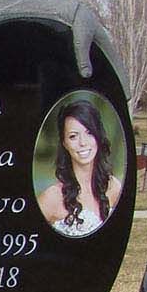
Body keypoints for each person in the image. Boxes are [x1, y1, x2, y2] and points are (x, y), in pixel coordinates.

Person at [39, 95, 122, 238]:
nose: (83, 142)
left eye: (89, 133)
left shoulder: (113, 187)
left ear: (98, 136)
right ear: (64, 143)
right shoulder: (52, 197)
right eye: (73, 136)